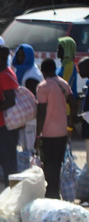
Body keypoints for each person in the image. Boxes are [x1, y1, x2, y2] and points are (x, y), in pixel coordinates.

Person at [37, 58, 77, 200]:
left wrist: (37, 134)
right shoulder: (64, 84)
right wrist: (70, 126)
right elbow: (73, 105)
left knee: (48, 164)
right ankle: (56, 193)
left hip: (48, 133)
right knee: (58, 163)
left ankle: (51, 194)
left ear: (43, 71)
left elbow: (41, 112)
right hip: (62, 131)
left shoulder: (43, 86)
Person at [0, 45, 19, 187]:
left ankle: (12, 191)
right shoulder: (2, 72)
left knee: (8, 161)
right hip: (3, 123)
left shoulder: (5, 75)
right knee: (6, 159)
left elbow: (10, 100)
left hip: (6, 124)